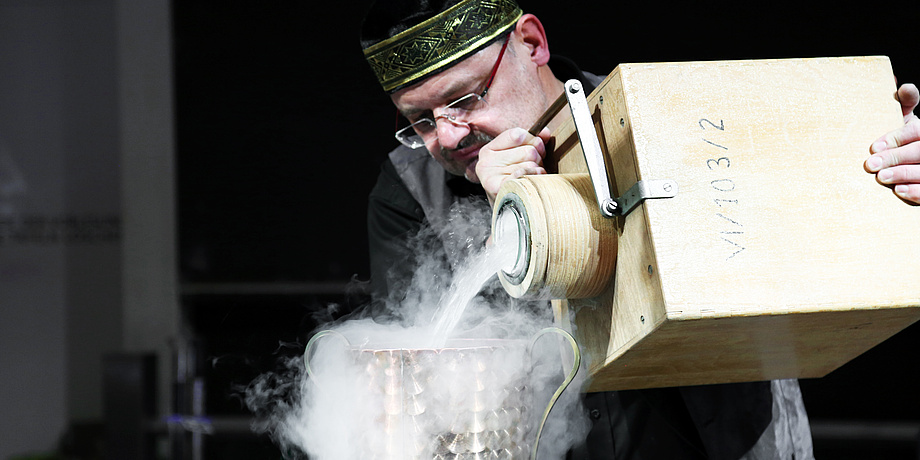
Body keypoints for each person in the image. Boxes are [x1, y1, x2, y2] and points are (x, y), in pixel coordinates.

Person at [359, 0, 918, 458]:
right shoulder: (410, 188)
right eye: (421, 121)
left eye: (465, 99)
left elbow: (809, 207)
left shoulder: (664, 117)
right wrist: (509, 225)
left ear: (531, 43)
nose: (451, 136)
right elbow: (417, 367)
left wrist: (885, 165)